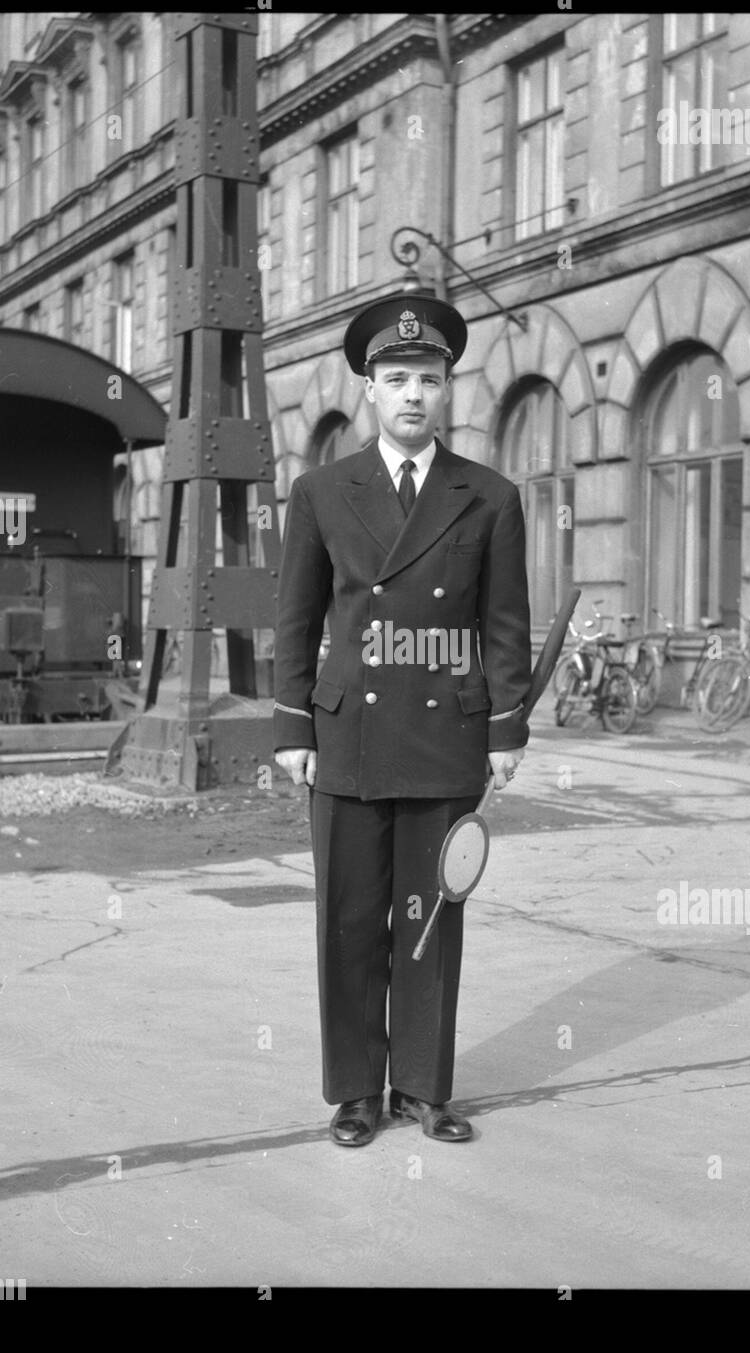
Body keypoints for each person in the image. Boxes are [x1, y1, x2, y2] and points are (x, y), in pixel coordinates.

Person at [273, 290, 532, 1146]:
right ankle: (354, 1091)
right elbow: (295, 620)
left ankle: (422, 1087)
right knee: (348, 918)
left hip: (443, 736)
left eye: (428, 377)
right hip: (346, 735)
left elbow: (503, 625)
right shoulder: (320, 492)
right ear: (369, 391)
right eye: (396, 378)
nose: (413, 393)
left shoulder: (488, 496)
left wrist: (504, 730)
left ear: (447, 389)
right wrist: (289, 729)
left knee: (429, 918)